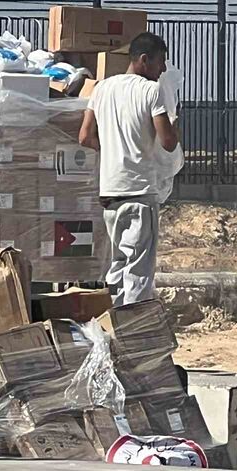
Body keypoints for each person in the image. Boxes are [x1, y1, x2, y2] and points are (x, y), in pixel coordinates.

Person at [79, 32, 179, 306]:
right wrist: (174, 114)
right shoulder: (151, 91)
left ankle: (113, 320)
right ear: (144, 60)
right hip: (139, 193)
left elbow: (85, 136)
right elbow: (168, 142)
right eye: (161, 62)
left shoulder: (101, 88)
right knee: (138, 273)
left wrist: (112, 148)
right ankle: (131, 333)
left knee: (118, 265)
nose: (163, 70)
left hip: (110, 193)